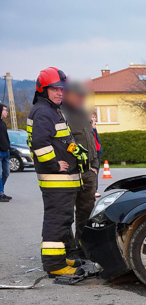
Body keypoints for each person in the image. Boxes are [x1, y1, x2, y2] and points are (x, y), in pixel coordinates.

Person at [26, 67, 85, 278]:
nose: (60, 93)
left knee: (62, 219)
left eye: (62, 89)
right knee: (57, 220)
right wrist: (53, 164)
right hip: (55, 179)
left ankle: (60, 257)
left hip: (62, 180)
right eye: (54, 89)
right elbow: (39, 143)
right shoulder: (44, 111)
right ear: (44, 90)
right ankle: (55, 265)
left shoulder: (51, 109)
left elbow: (59, 140)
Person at [62, 81, 99, 251]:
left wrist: (95, 166)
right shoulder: (61, 115)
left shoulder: (84, 114)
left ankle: (83, 248)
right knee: (66, 214)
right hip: (71, 173)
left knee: (86, 213)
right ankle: (69, 250)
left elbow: (92, 141)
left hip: (88, 173)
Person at [0, 103, 11, 202]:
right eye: (4, 110)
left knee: (6, 173)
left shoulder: (3, 123)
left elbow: (6, 138)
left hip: (5, 152)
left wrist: (8, 148)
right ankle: (1, 194)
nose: (6, 112)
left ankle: (1, 191)